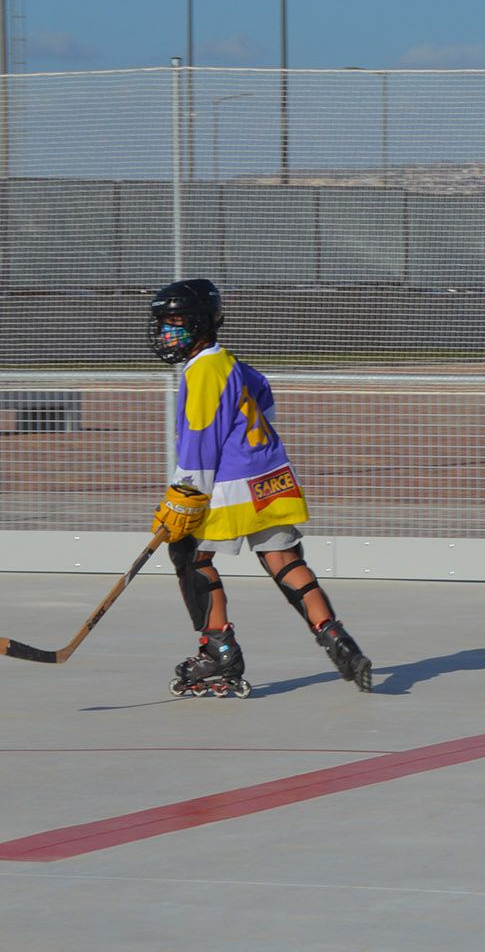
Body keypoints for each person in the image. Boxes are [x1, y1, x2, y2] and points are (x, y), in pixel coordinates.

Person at [148, 279, 372, 697]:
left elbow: (200, 440)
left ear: (198, 324)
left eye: (174, 322)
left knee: (190, 555)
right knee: (283, 559)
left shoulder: (201, 372)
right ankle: (336, 638)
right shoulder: (231, 363)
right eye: (163, 322)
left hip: (230, 485)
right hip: (272, 477)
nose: (166, 332)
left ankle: (218, 650)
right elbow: (263, 398)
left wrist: (183, 497)